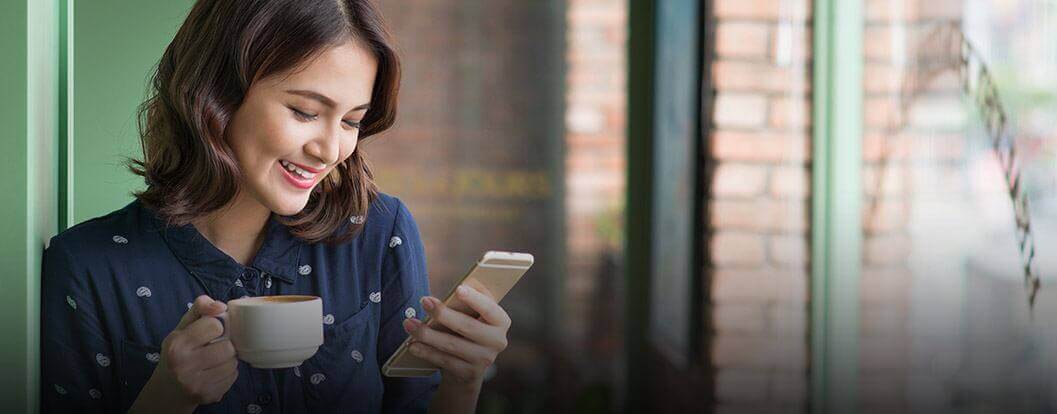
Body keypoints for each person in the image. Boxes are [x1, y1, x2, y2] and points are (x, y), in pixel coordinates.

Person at [39, 1, 511, 412]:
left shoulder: (379, 232)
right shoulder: (88, 266)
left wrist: (463, 382)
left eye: (351, 121)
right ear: (217, 94)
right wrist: (167, 397)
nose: (330, 149)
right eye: (305, 112)